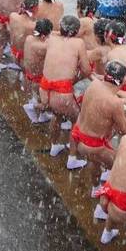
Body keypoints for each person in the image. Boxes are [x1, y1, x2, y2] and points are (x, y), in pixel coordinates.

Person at [40, 15, 91, 159]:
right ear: (76, 31)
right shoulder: (79, 43)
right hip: (61, 94)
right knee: (77, 120)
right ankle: (72, 157)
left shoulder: (51, 38)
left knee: (56, 115)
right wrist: (76, 78)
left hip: (44, 90)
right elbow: (87, 70)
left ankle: (54, 146)